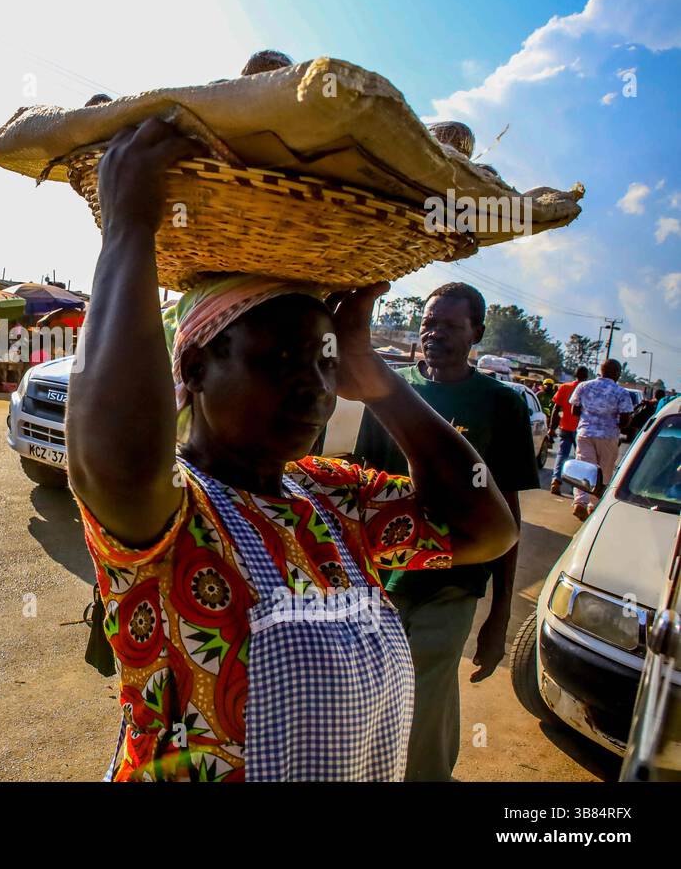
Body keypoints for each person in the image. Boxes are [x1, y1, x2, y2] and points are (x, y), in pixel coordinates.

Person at [68, 119, 517, 781]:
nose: (312, 385)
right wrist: (129, 229)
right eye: (278, 359)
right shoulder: (171, 511)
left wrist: (380, 380)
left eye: (324, 361)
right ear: (193, 367)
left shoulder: (331, 499)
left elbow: (486, 528)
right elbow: (114, 459)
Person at [354, 282, 539, 781]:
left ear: (476, 332)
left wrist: (500, 613)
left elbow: (508, 513)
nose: (434, 334)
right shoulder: (388, 392)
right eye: (429, 323)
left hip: (453, 581)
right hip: (381, 581)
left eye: (450, 326)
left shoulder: (501, 404)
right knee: (370, 696)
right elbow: (362, 486)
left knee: (426, 698)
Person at [568, 358, 636, 521]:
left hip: (585, 433)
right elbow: (626, 418)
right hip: (608, 435)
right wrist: (617, 424)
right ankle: (594, 505)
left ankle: (580, 502)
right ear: (617, 374)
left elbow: (574, 410)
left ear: (601, 370)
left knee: (584, 467)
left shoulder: (584, 386)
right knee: (604, 471)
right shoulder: (621, 392)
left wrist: (589, 418)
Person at [549, 366, 589, 495]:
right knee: (580, 459)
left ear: (575, 375)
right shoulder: (588, 390)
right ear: (586, 376)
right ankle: (576, 487)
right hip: (582, 429)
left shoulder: (565, 387)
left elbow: (556, 409)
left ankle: (556, 480)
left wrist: (551, 428)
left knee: (562, 455)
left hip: (565, 426)